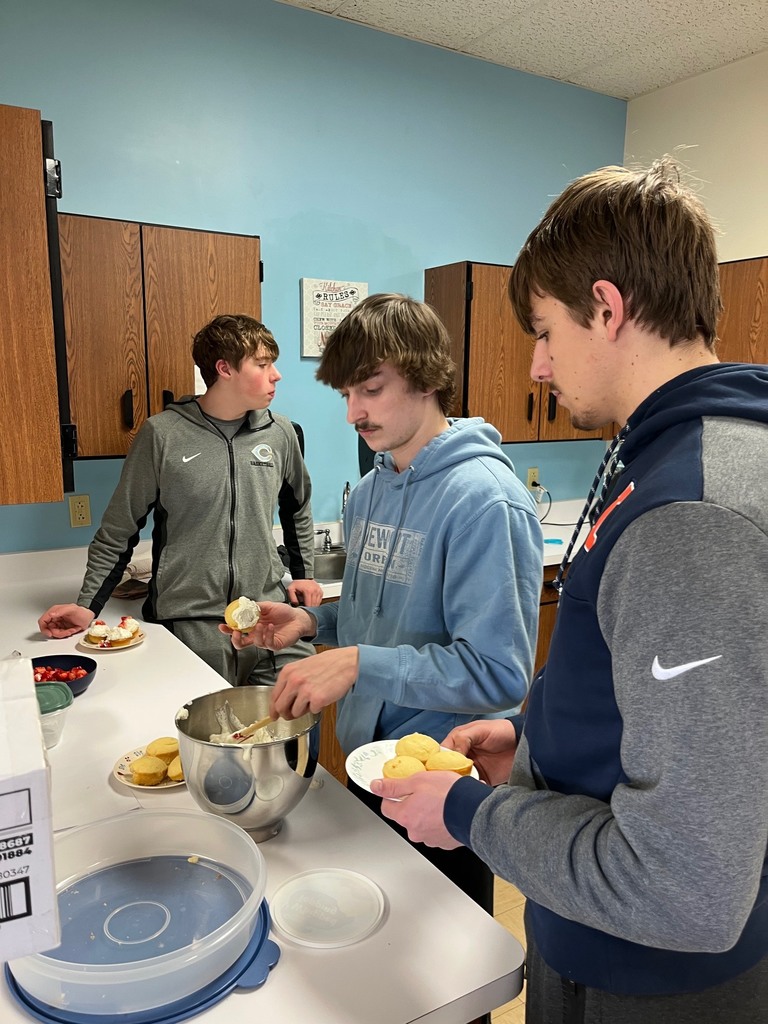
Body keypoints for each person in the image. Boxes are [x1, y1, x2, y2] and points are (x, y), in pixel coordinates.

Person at [372, 158, 768, 1024]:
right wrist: (534, 746)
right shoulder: (665, 456)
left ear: (608, 307)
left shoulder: (694, 518)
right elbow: (678, 721)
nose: (539, 366)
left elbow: (688, 885)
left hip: (652, 983)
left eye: (546, 332)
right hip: (595, 936)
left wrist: (473, 816)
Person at [222, 293, 543, 913]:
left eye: (370, 389)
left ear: (427, 379)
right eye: (347, 393)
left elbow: (498, 673)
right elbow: (381, 617)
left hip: (444, 778)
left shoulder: (485, 501)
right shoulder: (370, 492)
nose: (353, 412)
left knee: (446, 950)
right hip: (367, 762)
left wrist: (357, 664)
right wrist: (312, 621)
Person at [38, 313, 323, 685]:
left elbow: (297, 507)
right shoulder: (163, 434)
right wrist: (87, 605)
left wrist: (304, 575)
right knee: (204, 723)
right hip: (190, 623)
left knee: (299, 714)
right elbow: (119, 529)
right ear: (224, 369)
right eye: (263, 364)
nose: (276, 375)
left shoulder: (281, 432)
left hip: (268, 615)